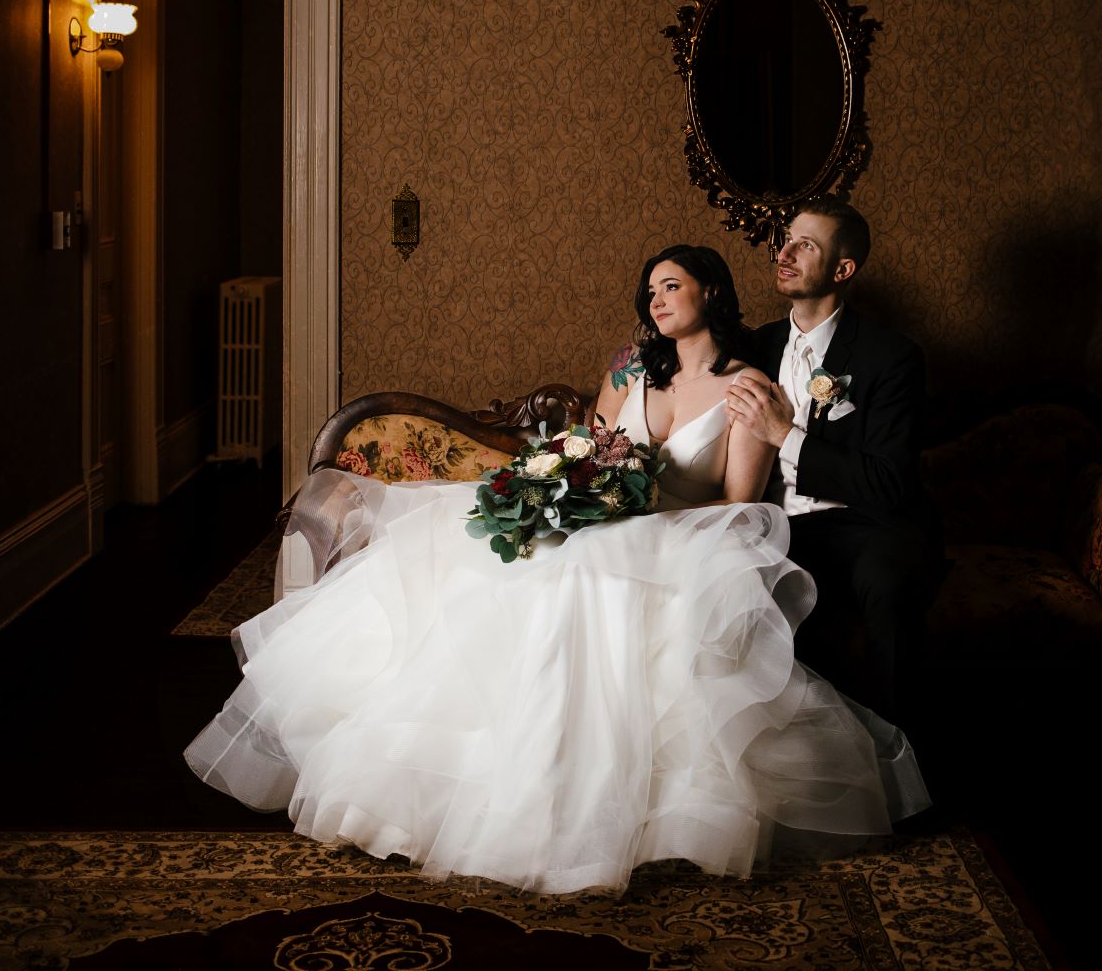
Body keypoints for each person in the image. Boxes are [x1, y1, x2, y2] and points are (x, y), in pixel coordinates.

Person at [184, 244, 928, 896]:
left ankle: (592, 806)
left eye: (672, 285)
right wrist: (575, 491)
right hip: (605, 519)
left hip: (688, 532)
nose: (657, 299)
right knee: (503, 562)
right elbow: (593, 447)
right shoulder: (631, 365)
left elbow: (737, 503)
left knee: (590, 576)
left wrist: (639, 516)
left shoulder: (746, 385)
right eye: (651, 290)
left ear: (711, 291)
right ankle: (492, 783)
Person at [725, 201, 938, 722]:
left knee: (888, 583)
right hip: (773, 523)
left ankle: (901, 755)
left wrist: (784, 434)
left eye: (806, 245)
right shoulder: (755, 345)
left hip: (865, 524)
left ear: (843, 270)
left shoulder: (891, 358)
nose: (785, 251)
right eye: (788, 239)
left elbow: (887, 482)